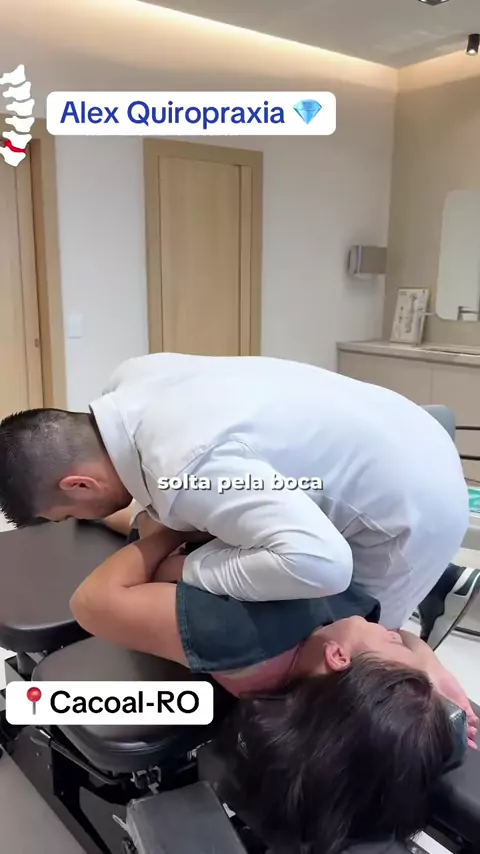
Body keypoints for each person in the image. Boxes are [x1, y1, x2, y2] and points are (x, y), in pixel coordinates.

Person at [68, 528, 476, 854]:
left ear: (338, 657)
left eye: (393, 645)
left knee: (133, 513)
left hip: (190, 544)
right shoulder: (338, 647)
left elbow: (89, 601)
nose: (396, 634)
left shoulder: (237, 636)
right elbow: (402, 642)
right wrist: (428, 663)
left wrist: (172, 531)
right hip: (247, 541)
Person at [0, 354, 470, 632]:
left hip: (414, 503)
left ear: (79, 484)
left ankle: (432, 590)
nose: (78, 519)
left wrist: (187, 570)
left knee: (357, 646)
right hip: (398, 425)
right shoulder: (132, 379)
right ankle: (439, 582)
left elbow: (322, 565)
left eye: (68, 514)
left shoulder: (185, 469)